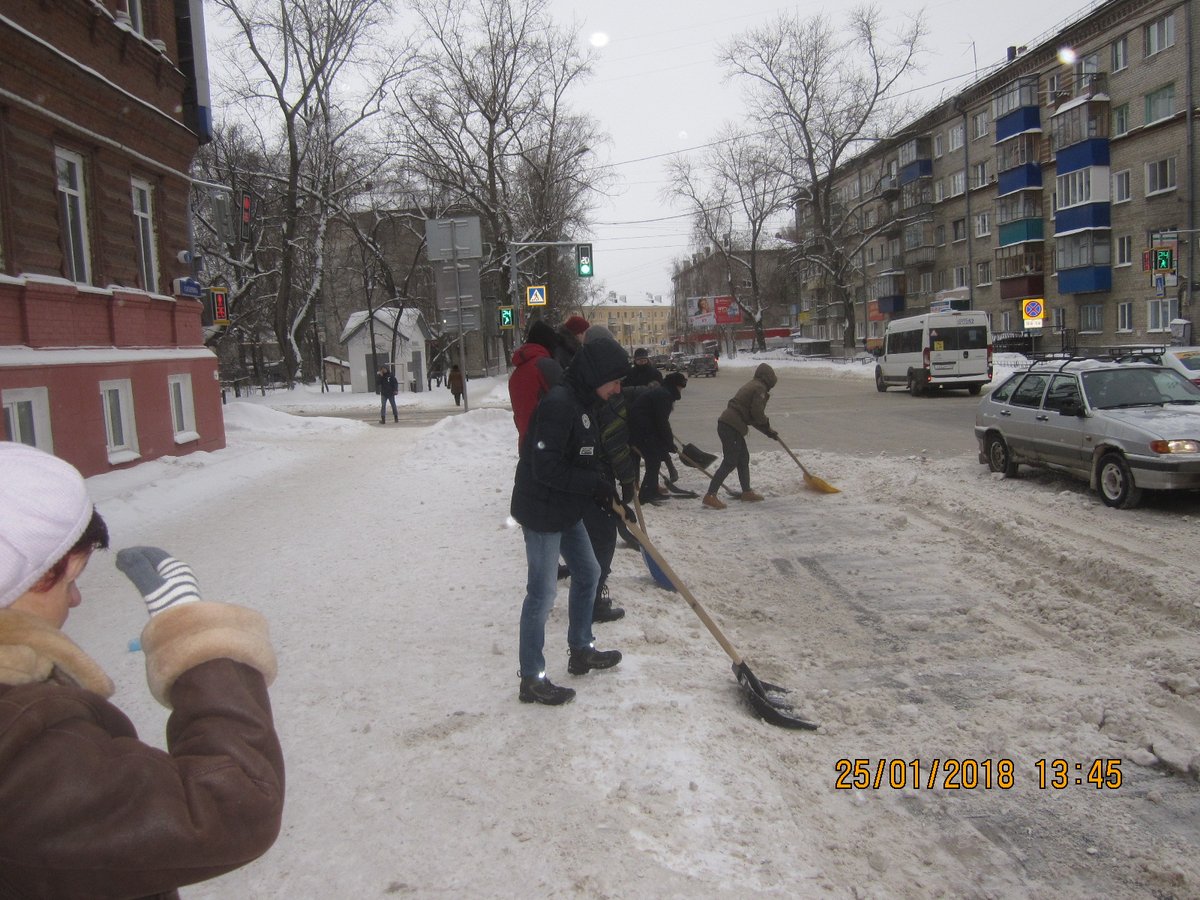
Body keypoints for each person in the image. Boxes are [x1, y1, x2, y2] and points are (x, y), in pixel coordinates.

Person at [0, 441, 284, 897]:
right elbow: (236, 804)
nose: (76, 600)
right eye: (70, 580)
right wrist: (197, 636)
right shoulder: (17, 741)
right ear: (19, 577)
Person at [510, 339, 630, 705]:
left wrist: (601, 484)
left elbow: (583, 454)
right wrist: (590, 484)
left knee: (589, 572)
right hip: (543, 510)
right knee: (542, 593)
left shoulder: (583, 402)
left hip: (566, 506)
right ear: (597, 376)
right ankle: (532, 677)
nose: (618, 389)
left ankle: (581, 650)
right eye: (615, 381)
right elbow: (545, 467)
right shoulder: (560, 405)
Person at [703, 363, 778, 510]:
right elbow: (757, 414)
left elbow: (751, 417)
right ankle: (710, 495)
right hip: (731, 426)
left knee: (743, 459)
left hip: (729, 424)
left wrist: (768, 431)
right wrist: (766, 425)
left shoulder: (754, 385)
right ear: (768, 379)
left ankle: (746, 492)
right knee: (730, 461)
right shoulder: (759, 388)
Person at [629, 371, 687, 504]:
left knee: (653, 460)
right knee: (653, 460)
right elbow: (662, 421)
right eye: (680, 387)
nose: (681, 390)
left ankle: (652, 491)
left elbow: (659, 421)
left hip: (643, 429)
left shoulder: (663, 393)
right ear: (675, 385)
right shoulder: (664, 396)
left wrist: (666, 442)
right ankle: (646, 494)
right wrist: (668, 442)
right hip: (641, 430)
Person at [508, 319, 563, 448]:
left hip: (526, 444)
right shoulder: (545, 366)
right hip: (548, 444)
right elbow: (567, 400)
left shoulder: (516, 373)